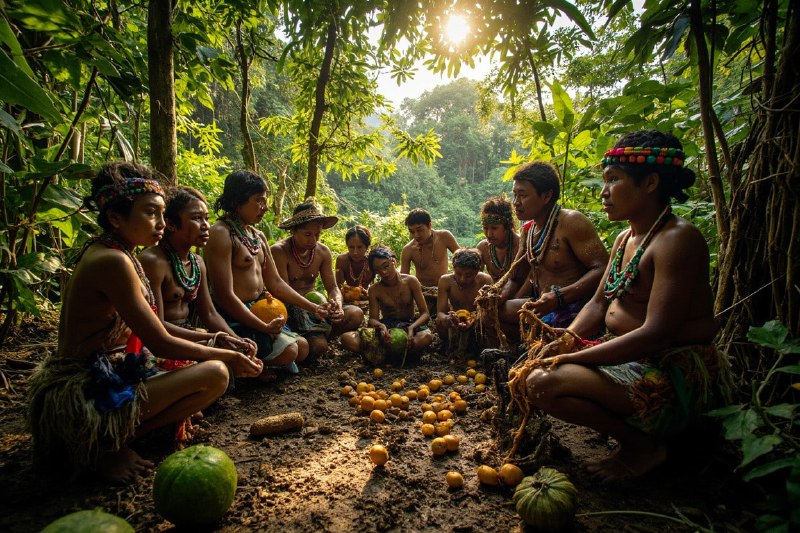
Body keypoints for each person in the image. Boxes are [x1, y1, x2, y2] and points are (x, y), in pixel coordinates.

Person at [27, 162, 263, 483]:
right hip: (84, 391)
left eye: (163, 214)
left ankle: (117, 434)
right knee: (217, 374)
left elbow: (161, 330)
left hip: (110, 372)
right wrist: (227, 354)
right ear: (115, 217)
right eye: (151, 212)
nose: (162, 224)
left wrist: (218, 339)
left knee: (203, 375)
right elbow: (160, 341)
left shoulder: (121, 253)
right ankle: (102, 446)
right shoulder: (113, 261)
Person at [525, 130, 730, 483]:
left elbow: (656, 334)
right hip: (632, 361)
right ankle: (641, 437)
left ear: (650, 182)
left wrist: (572, 358)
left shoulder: (676, 240)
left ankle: (643, 447)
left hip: (670, 372)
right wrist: (567, 340)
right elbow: (599, 302)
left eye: (614, 180)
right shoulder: (625, 238)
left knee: (544, 381)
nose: (603, 192)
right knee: (539, 366)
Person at [205, 170, 319, 376]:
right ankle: (245, 370)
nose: (264, 207)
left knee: (302, 348)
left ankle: (257, 366)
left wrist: (314, 307)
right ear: (238, 200)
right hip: (235, 316)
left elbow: (275, 283)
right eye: (258, 201)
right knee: (291, 350)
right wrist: (262, 326)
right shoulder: (220, 233)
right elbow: (224, 296)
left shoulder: (257, 235)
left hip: (261, 309)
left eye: (265, 201)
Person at [139, 186, 257, 371]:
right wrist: (212, 339)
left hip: (191, 333)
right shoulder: (153, 262)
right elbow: (158, 327)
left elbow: (209, 313)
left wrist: (236, 340)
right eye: (196, 218)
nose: (205, 225)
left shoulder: (197, 262)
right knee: (218, 368)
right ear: (171, 224)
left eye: (206, 218)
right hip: (162, 342)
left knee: (237, 352)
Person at [499, 161, 608, 340]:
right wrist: (498, 297)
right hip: (543, 306)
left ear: (546, 195)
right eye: (515, 195)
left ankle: (540, 347)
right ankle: (526, 349)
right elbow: (516, 278)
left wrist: (559, 297)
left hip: (576, 310)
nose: (516, 203)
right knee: (492, 313)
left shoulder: (571, 222)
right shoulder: (528, 231)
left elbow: (603, 268)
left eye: (523, 195)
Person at [272, 199, 363, 358]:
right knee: (318, 347)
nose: (313, 240)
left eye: (317, 234)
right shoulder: (279, 251)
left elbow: (333, 288)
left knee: (355, 313)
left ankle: (318, 335)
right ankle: (312, 340)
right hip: (290, 312)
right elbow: (281, 291)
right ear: (294, 230)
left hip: (317, 310)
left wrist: (337, 305)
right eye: (307, 235)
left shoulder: (322, 252)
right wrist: (312, 307)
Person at [340, 245, 433, 355]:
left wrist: (412, 328)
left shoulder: (410, 281)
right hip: (387, 328)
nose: (383, 272)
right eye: (378, 270)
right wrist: (381, 327)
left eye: (386, 266)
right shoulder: (375, 289)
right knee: (347, 338)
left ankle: (388, 353)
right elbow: (372, 319)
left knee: (426, 336)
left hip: (409, 324)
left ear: (393, 261)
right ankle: (399, 353)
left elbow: (425, 313)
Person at [400, 208, 460, 316]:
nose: (416, 235)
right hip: (422, 293)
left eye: (419, 230)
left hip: (445, 290)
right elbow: (403, 279)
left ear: (429, 225)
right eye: (412, 231)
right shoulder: (408, 250)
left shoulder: (444, 237)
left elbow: (462, 258)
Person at [435, 248, 493, 357]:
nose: (462, 279)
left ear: (477, 272)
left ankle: (479, 350)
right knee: (440, 322)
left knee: (488, 322)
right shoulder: (446, 281)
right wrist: (448, 318)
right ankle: (447, 345)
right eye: (458, 273)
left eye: (468, 275)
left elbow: (489, 311)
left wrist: (475, 319)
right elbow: (440, 313)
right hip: (455, 320)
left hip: (478, 322)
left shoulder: (485, 280)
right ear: (453, 269)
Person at [476, 195, 520, 282]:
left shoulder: (520, 246)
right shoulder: (482, 248)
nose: (489, 234)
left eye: (494, 228)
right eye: (485, 228)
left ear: (507, 226)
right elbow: (475, 280)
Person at [335, 225, 375, 302]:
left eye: (360, 247)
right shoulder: (342, 260)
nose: (355, 252)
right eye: (351, 247)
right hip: (348, 299)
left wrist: (370, 295)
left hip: (369, 299)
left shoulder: (372, 260)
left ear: (366, 247)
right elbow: (338, 286)